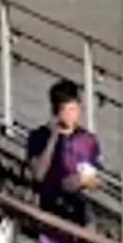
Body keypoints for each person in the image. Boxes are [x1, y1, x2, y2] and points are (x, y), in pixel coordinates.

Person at [22, 80, 105, 231]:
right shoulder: (39, 137)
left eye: (77, 108)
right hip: (48, 208)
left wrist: (81, 180)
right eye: (69, 109)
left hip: (78, 211)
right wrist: (53, 138)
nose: (75, 114)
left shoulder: (87, 140)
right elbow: (38, 174)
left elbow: (97, 179)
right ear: (57, 111)